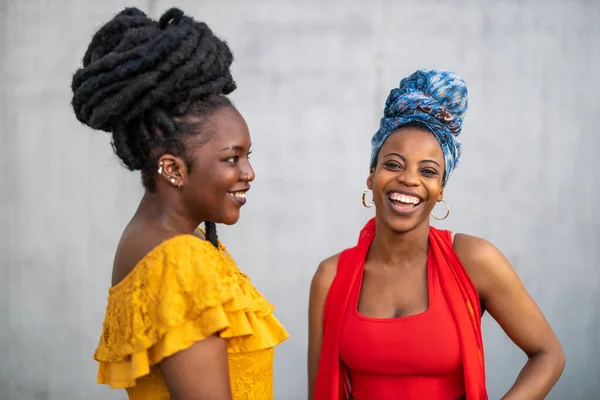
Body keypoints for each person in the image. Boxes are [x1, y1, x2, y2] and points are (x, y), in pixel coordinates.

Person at [71, 7, 288, 400]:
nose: (249, 172)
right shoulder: (178, 263)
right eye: (232, 158)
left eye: (247, 156)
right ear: (173, 169)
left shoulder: (154, 243)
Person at [307, 69, 565, 400]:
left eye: (428, 171)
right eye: (393, 164)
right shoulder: (330, 277)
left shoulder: (473, 260)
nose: (409, 180)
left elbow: (548, 355)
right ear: (371, 177)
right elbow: (320, 390)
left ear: (440, 189)